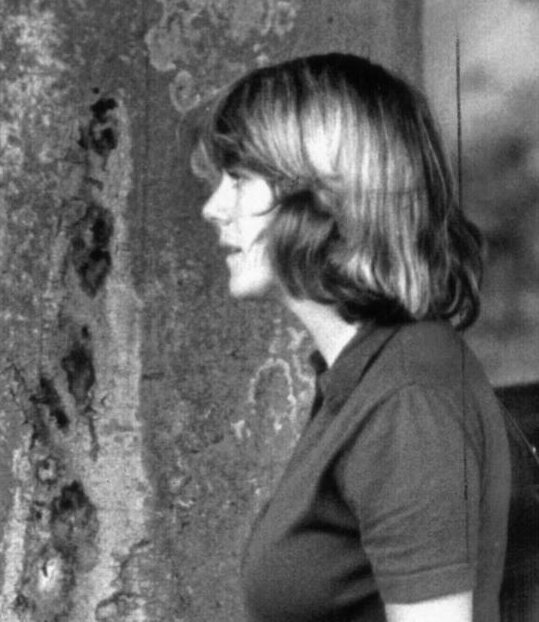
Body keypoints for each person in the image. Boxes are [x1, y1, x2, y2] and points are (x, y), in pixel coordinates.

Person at [190, 53, 510, 622]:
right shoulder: (364, 375)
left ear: (326, 194)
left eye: (239, 178)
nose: (214, 207)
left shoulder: (406, 400)